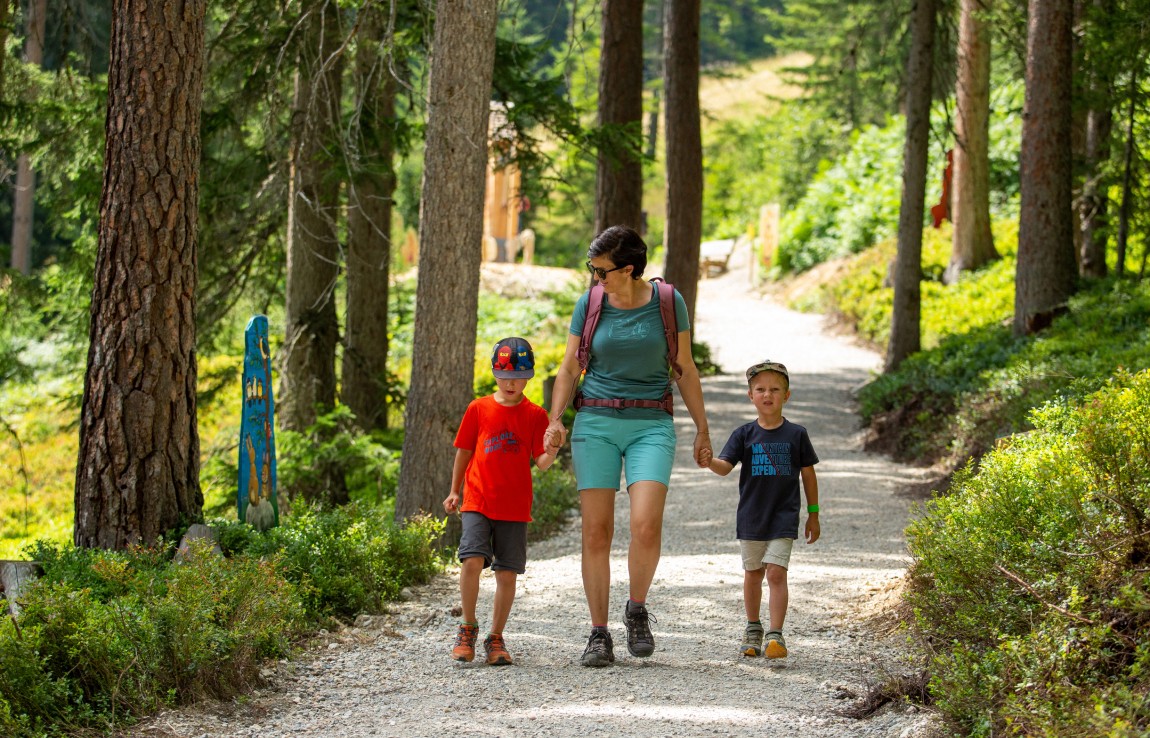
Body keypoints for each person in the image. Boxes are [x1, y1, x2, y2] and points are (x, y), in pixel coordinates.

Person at [545, 225, 712, 668]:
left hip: (650, 422)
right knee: (596, 532)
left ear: (630, 268)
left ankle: (636, 609)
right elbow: (567, 369)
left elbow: (686, 369)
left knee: (645, 524)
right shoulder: (591, 303)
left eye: (602, 271)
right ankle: (598, 634)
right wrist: (555, 419)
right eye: (592, 269)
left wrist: (703, 429)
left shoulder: (667, 303)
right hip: (596, 421)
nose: (595, 278)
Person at [443, 337, 558, 666]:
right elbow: (464, 451)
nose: (511, 383)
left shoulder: (535, 415)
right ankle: (467, 627)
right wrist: (454, 491)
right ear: (495, 374)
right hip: (477, 499)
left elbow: (541, 462)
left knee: (507, 574)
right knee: (471, 561)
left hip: (514, 506)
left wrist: (553, 448)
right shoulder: (478, 408)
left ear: (529, 377)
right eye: (505, 375)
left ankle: (496, 637)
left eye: (519, 376)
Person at [704, 360, 820, 659]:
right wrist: (708, 461)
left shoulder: (796, 434)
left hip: (784, 516)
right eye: (760, 389)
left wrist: (814, 513)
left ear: (787, 395)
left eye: (775, 389)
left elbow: (808, 474)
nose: (767, 395)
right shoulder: (744, 434)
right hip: (752, 517)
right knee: (753, 573)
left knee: (777, 574)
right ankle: (753, 628)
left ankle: (775, 635)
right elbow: (724, 467)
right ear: (750, 396)